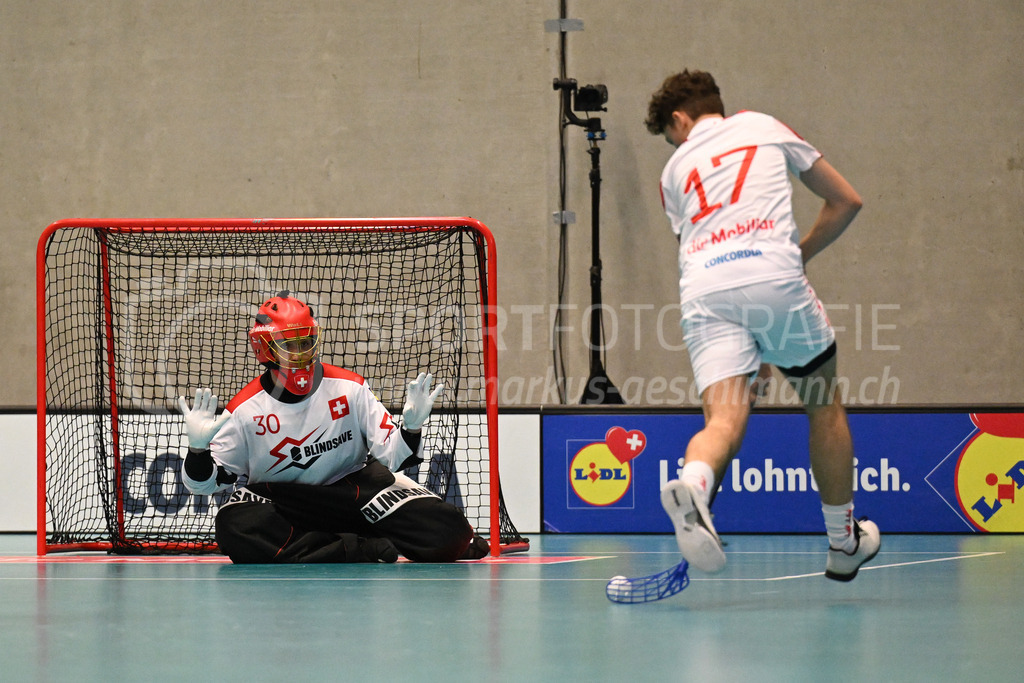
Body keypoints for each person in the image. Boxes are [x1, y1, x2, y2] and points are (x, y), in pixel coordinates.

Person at [645, 70, 879, 581]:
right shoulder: (766, 127)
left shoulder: (672, 172)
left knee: (723, 424)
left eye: (670, 132)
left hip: (705, 293)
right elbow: (847, 201)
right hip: (773, 277)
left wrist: (754, 347)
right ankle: (842, 542)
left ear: (680, 119)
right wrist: (797, 257)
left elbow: (701, 252)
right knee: (822, 405)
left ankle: (696, 484)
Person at [177, 291, 488, 564]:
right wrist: (197, 451)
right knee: (234, 526)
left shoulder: (350, 388)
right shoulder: (243, 410)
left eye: (305, 342)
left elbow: (394, 458)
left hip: (355, 491)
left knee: (450, 532)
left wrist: (411, 427)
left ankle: (342, 541)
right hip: (284, 502)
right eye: (289, 344)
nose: (299, 353)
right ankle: (359, 548)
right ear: (264, 348)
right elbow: (204, 485)